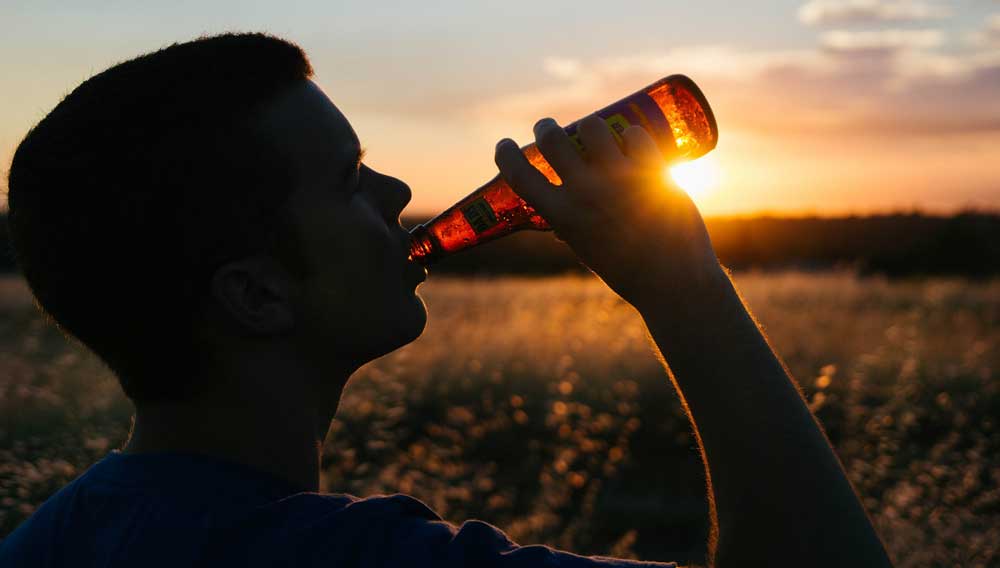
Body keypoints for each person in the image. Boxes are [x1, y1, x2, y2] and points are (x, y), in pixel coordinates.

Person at [0, 33, 892, 567]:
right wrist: (685, 291)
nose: (396, 190)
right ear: (258, 294)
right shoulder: (347, 558)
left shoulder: (57, 537)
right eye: (349, 179)